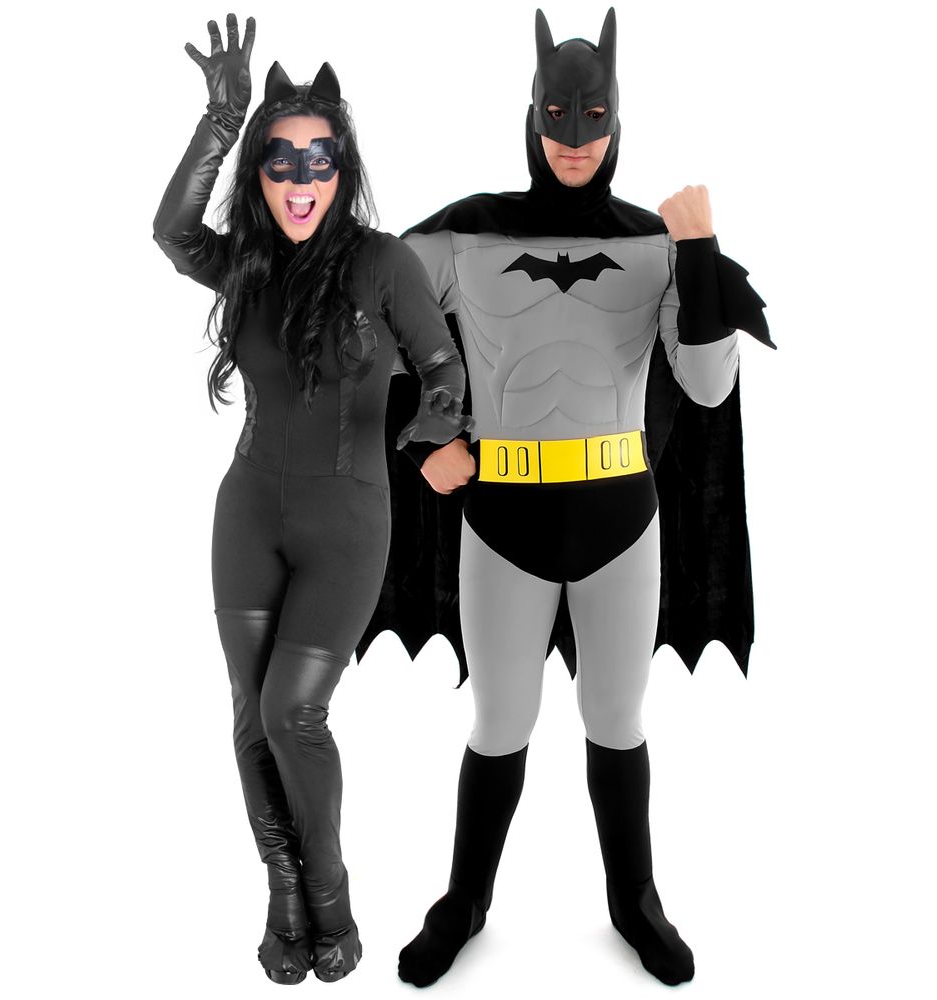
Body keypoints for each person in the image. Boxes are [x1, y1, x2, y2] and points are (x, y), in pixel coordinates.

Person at [374, 7, 773, 989]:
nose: (575, 138)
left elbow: (708, 386)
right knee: (499, 722)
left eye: (593, 118)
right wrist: (421, 437)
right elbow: (370, 325)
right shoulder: (464, 234)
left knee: (616, 718)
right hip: (500, 518)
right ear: (532, 114)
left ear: (617, 120)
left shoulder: (654, 245)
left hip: (619, 520)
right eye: (558, 116)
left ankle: (634, 900)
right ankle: (464, 901)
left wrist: (701, 252)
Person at [152, 15, 468, 986]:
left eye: (318, 162)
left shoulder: (383, 263)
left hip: (348, 523)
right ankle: (284, 896)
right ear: (259, 173)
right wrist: (219, 123)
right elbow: (172, 233)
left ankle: (330, 895)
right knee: (251, 717)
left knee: (293, 711)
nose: (299, 182)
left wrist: (432, 428)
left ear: (342, 168)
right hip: (247, 514)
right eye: (279, 162)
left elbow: (445, 370)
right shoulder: (248, 266)